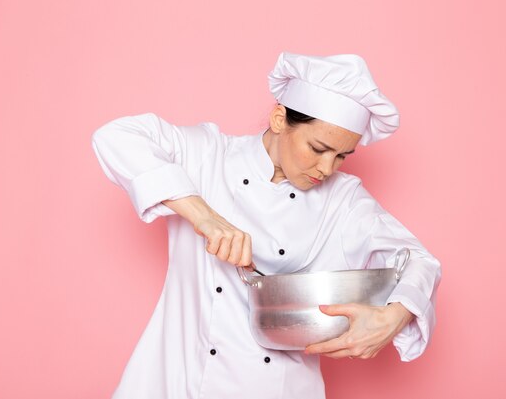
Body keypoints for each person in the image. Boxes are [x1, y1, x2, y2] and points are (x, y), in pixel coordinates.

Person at [91, 51, 442, 399]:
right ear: (279, 119)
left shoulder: (343, 200)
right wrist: (204, 217)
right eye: (318, 148)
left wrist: (393, 318)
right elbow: (115, 137)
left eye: (340, 156)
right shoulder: (207, 155)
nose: (327, 168)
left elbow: (418, 260)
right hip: (179, 381)